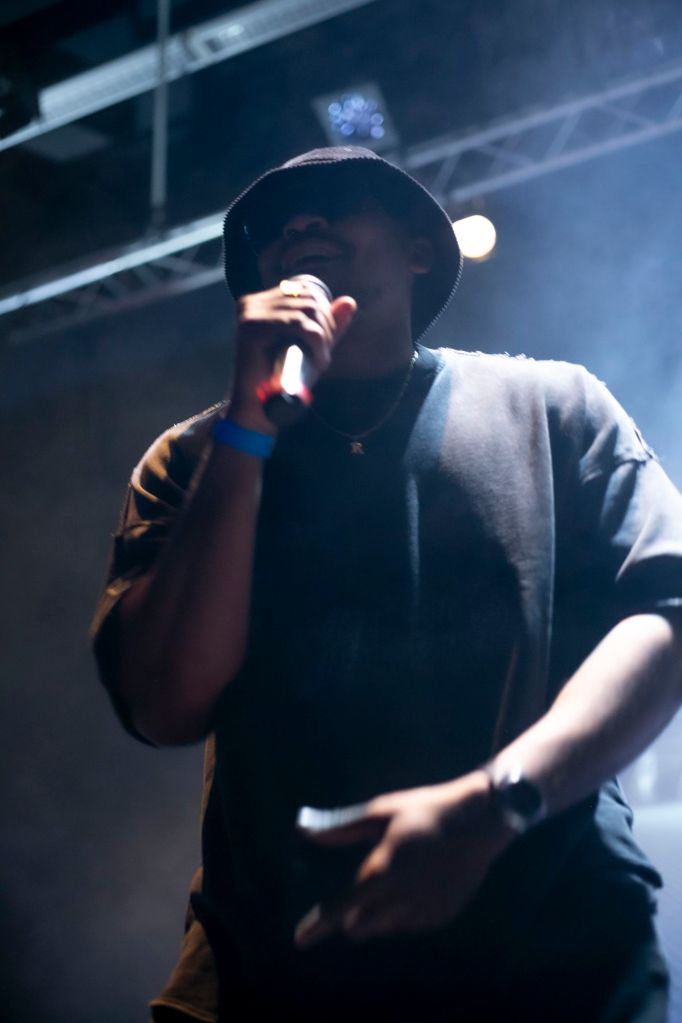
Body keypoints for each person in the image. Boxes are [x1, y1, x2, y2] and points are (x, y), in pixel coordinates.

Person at [91, 145, 682, 1022]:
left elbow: (667, 614)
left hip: (559, 959)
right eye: (272, 225)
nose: (299, 223)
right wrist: (247, 430)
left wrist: (496, 804)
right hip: (282, 968)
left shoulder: (553, 406)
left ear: (419, 248)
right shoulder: (192, 461)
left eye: (337, 199)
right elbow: (164, 705)